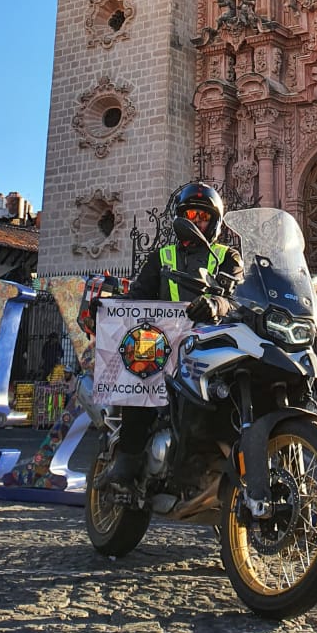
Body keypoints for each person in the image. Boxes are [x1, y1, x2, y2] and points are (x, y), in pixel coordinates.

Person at [97, 182, 244, 491]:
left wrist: (217, 303)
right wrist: (112, 309)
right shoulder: (162, 256)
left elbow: (240, 296)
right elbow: (138, 296)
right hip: (163, 344)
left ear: (215, 221)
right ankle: (128, 457)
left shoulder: (227, 257)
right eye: (189, 214)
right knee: (142, 373)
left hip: (211, 342)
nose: (195, 220)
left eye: (202, 216)